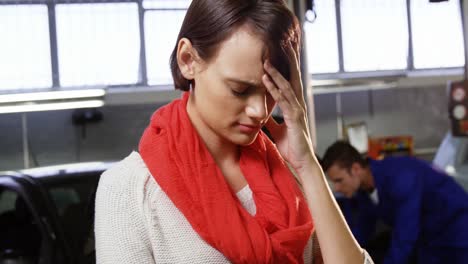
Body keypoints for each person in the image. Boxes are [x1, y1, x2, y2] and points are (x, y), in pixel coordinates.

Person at [94, 1, 373, 263]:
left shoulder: (290, 171)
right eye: (240, 90)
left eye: (272, 91)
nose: (260, 111)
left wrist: (308, 165)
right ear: (188, 59)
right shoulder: (128, 189)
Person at [321, 140, 468, 264]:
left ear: (356, 169)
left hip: (458, 231)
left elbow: (405, 236)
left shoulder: (400, 177)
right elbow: (362, 231)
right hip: (430, 240)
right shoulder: (364, 191)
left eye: (339, 181)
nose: (337, 188)